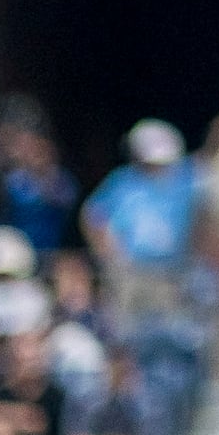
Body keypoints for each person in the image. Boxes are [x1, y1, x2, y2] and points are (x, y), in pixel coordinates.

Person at [82, 118, 203, 325]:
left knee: (172, 330)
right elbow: (92, 216)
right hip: (132, 274)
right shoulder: (123, 182)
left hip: (174, 274)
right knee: (129, 332)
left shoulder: (188, 179)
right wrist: (111, 257)